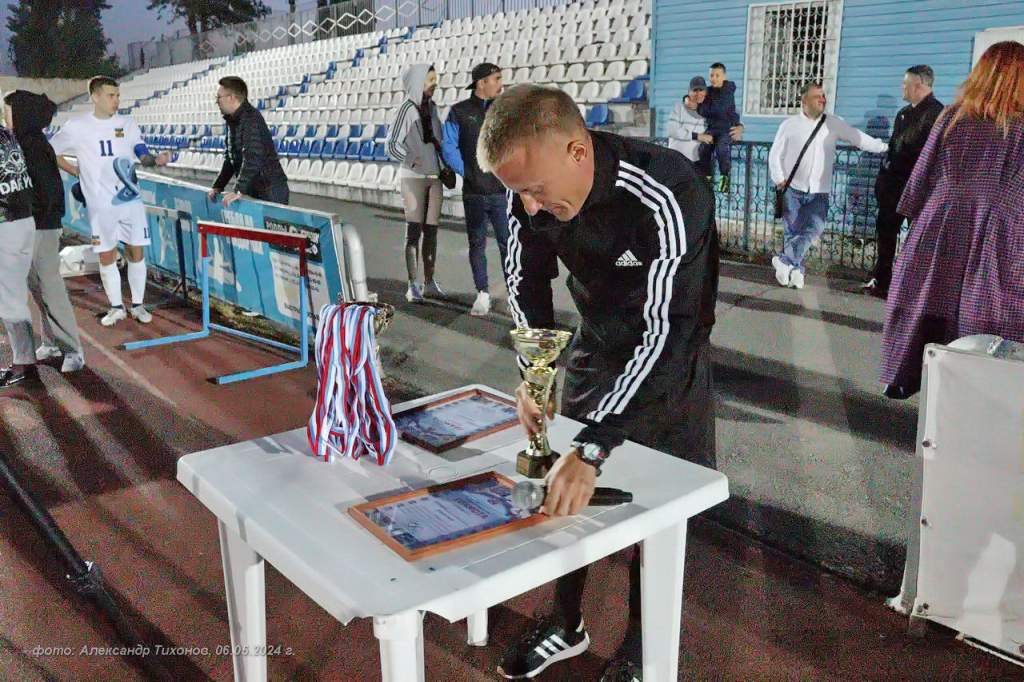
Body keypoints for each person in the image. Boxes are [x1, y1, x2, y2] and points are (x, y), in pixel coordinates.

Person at [477, 84, 718, 682]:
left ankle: (642, 644)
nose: (529, 207)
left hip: (670, 358)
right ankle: (566, 623)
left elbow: (666, 330)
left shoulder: (669, 188)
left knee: (657, 510)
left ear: (578, 152)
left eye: (535, 190)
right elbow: (526, 287)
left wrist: (593, 446)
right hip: (597, 345)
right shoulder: (526, 195)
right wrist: (534, 378)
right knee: (560, 492)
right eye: (517, 193)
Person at [880, 41, 1024, 399]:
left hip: (940, 224)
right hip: (1001, 232)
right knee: (985, 320)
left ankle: (921, 389)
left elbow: (921, 178)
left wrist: (917, 215)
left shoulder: (952, 116)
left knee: (929, 305)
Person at [51, 76, 170, 327]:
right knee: (107, 255)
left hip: (130, 200)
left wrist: (154, 160)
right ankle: (116, 307)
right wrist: (77, 172)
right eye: (111, 96)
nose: (116, 100)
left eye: (117, 96)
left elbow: (142, 153)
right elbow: (52, 152)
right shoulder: (77, 126)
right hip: (100, 205)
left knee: (136, 251)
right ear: (95, 97)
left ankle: (138, 305)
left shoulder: (127, 123)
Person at [768, 82, 888, 289]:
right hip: (792, 188)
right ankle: (796, 270)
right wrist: (779, 178)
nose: (822, 99)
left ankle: (784, 261)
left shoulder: (833, 123)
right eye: (817, 96)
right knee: (793, 232)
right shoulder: (789, 125)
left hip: (819, 191)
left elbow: (857, 138)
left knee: (815, 228)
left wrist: (884, 147)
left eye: (823, 96)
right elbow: (775, 154)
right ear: (804, 100)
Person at [5, 90, 85, 373]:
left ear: (21, 113)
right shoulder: (23, 142)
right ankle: (51, 342)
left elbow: (48, 192)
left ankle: (73, 349)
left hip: (42, 226)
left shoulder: (34, 145)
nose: (6, 116)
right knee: (37, 286)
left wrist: (32, 217)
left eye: (9, 110)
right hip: (30, 224)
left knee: (50, 287)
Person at [861, 65, 944, 299]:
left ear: (919, 85)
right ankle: (882, 280)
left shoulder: (938, 114)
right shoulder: (903, 114)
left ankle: (914, 288)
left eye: (905, 84)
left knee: (919, 239)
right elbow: (894, 147)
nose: (902, 88)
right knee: (886, 233)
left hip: (919, 188)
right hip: (893, 187)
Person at [441, 62, 508, 316]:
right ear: (482, 83)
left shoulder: (503, 110)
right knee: (477, 243)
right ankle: (482, 294)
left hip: (502, 192)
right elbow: (449, 147)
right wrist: (468, 173)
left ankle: (515, 293)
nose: (501, 84)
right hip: (474, 193)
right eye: (496, 79)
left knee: (508, 245)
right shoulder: (459, 111)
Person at [387, 63, 445, 304]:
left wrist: (445, 166)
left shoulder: (433, 108)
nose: (435, 83)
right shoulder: (406, 109)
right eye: (430, 80)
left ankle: (429, 282)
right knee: (414, 232)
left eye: (435, 79)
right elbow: (391, 145)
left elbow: (439, 141)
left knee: (431, 232)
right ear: (417, 82)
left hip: (434, 178)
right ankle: (413, 285)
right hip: (412, 179)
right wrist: (411, 159)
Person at [0, 122, 40, 388]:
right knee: (12, 294)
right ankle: (25, 360)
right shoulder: (6, 133)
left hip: (6, 225)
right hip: (24, 220)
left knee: (10, 299)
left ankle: (23, 365)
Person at [208, 76, 289, 206]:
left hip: (270, 190)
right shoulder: (232, 121)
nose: (216, 102)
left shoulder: (251, 119)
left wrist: (238, 190)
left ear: (231, 98)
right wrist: (218, 186)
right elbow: (230, 159)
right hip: (257, 189)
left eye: (218, 97)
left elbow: (253, 156)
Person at [698, 62, 740, 192]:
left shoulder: (728, 89)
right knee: (703, 148)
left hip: (726, 128)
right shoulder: (707, 91)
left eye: (717, 75)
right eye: (711, 75)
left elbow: (721, 109)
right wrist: (706, 107)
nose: (714, 78)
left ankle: (724, 177)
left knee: (721, 148)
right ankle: (707, 178)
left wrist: (708, 108)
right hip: (712, 128)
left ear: (724, 77)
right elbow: (701, 110)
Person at [666, 76, 713, 174]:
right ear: (689, 92)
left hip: (697, 162)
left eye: (701, 90)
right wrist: (697, 136)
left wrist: (740, 126)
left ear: (705, 92)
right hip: (677, 160)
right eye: (695, 90)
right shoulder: (679, 108)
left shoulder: (708, 111)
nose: (698, 93)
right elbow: (672, 130)